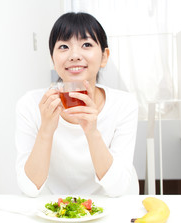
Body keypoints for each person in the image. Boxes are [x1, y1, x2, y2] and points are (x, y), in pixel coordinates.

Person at [15, 12, 139, 197]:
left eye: (86, 44)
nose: (74, 55)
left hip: (111, 207)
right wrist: (46, 129)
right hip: (55, 209)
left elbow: (118, 189)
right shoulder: (30, 104)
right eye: (64, 46)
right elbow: (29, 189)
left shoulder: (124, 105)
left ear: (104, 56)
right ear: (52, 58)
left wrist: (92, 132)